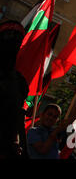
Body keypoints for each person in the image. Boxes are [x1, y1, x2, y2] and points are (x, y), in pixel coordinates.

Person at [0, 20, 28, 159]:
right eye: (9, 34)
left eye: (18, 37)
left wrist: (16, 142)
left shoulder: (20, 82)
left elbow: (17, 118)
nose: (13, 40)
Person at [27, 94, 76, 159]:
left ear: (57, 120)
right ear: (42, 115)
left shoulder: (56, 131)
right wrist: (55, 132)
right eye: (49, 114)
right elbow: (42, 150)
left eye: (55, 117)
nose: (51, 118)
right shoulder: (33, 131)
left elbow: (72, 119)